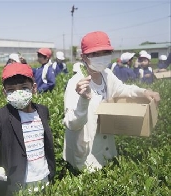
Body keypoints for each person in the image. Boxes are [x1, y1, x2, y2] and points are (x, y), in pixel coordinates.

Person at [63, 31, 160, 173]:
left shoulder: (106, 74)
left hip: (105, 146)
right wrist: (84, 100)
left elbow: (121, 89)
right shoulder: (76, 83)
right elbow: (72, 123)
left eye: (105, 53)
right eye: (95, 54)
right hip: (86, 153)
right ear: (84, 57)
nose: (101, 58)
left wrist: (143, 92)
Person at [0, 63, 55, 196]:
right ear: (4, 92)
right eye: (11, 90)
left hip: (43, 178)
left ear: (34, 88)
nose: (18, 93)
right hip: (17, 183)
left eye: (24, 87)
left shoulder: (42, 111)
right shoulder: (0, 116)